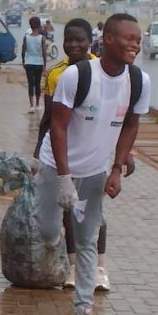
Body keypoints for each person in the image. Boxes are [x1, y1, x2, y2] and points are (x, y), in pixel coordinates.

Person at [35, 13, 151, 315]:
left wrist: (116, 167)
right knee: (47, 230)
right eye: (129, 39)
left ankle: (83, 314)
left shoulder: (139, 81)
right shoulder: (78, 76)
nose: (135, 45)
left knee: (86, 240)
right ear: (108, 41)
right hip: (54, 166)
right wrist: (61, 177)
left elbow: (130, 124)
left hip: (92, 177)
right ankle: (52, 236)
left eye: (138, 40)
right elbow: (56, 127)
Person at [33, 18, 133, 292]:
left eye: (80, 39)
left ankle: (99, 268)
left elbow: (122, 115)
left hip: (94, 159)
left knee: (93, 217)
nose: (74, 45)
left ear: (92, 41)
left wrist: (124, 157)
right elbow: (51, 120)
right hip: (62, 157)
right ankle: (75, 267)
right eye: (69, 40)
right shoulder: (57, 74)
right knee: (67, 213)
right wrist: (36, 155)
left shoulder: (106, 71)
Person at [21, 16, 47, 113]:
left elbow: (23, 51)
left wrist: (23, 61)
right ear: (39, 25)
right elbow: (44, 52)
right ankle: (37, 105)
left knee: (30, 84)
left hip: (29, 63)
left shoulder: (26, 37)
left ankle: (31, 106)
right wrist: (44, 65)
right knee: (37, 83)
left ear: (30, 25)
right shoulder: (42, 38)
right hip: (39, 63)